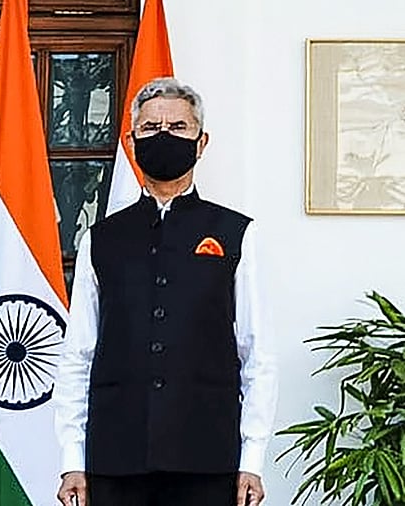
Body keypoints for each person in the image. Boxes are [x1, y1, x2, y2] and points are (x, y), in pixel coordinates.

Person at [53, 78, 278, 506]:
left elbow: (257, 353)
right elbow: (77, 355)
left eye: (178, 127)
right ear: (131, 140)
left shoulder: (236, 234)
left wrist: (252, 458)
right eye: (151, 128)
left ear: (201, 141)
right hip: (115, 458)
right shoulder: (101, 239)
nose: (164, 136)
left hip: (208, 457)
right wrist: (72, 460)